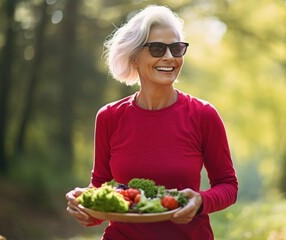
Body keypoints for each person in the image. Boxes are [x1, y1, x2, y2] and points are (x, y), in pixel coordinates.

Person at [65, 5, 238, 240]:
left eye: (176, 48)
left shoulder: (203, 115)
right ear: (134, 57)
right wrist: (85, 206)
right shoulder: (109, 117)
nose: (169, 57)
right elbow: (101, 190)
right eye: (157, 48)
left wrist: (200, 201)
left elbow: (227, 185)